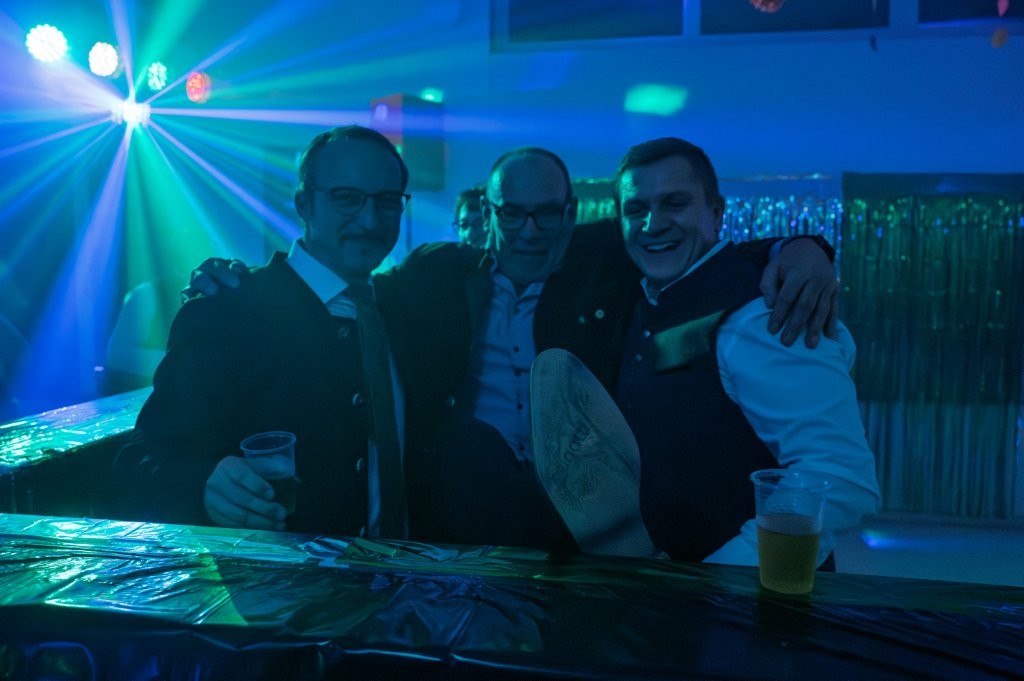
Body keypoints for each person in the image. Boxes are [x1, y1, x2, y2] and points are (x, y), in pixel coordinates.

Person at [185, 146, 839, 553]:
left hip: (590, 519)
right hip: (465, 515)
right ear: (489, 213)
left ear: (570, 213)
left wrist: (798, 249)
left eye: (547, 213)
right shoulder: (435, 274)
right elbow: (336, 278)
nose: (530, 231)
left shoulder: (604, 262)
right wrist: (241, 279)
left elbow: (694, 245)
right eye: (512, 213)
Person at [111, 125, 410, 540]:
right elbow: (144, 459)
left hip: (408, 573)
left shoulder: (406, 307)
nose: (370, 219)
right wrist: (203, 486)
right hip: (283, 579)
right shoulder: (226, 310)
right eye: (346, 198)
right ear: (304, 204)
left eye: (388, 201)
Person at [594, 137, 879, 565]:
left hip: (747, 596)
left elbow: (839, 476)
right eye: (637, 209)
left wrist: (721, 578)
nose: (653, 224)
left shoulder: (760, 316)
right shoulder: (648, 295)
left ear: (715, 213)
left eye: (675, 203)